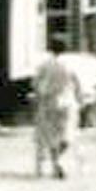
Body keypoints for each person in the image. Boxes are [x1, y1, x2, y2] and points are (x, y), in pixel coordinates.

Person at [33, 40, 79, 179]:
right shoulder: (70, 64)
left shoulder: (44, 65)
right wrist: (79, 97)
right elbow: (77, 83)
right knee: (67, 133)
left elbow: (35, 84)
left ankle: (55, 163)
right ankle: (59, 161)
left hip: (49, 103)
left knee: (51, 134)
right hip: (67, 102)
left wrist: (39, 95)